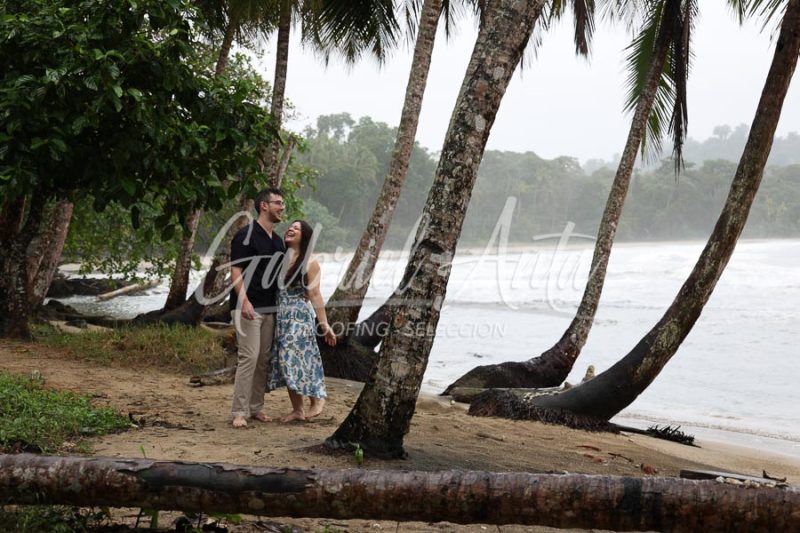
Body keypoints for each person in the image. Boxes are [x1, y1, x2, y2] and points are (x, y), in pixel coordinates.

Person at [229, 187, 286, 428]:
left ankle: (256, 407)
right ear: (264, 205)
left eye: (283, 204)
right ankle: (239, 412)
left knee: (263, 359)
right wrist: (244, 302)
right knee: (249, 357)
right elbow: (235, 271)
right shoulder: (246, 234)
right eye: (278, 203)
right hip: (247, 306)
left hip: (270, 308)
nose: (282, 207)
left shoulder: (278, 240)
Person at [270, 219, 337, 422]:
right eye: (290, 227)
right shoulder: (281, 258)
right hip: (281, 316)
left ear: (304, 236)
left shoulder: (310, 262)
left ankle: (317, 399)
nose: (290, 229)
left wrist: (324, 324)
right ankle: (297, 410)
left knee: (302, 358)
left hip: (298, 316)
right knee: (285, 361)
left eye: (296, 228)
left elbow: (315, 294)